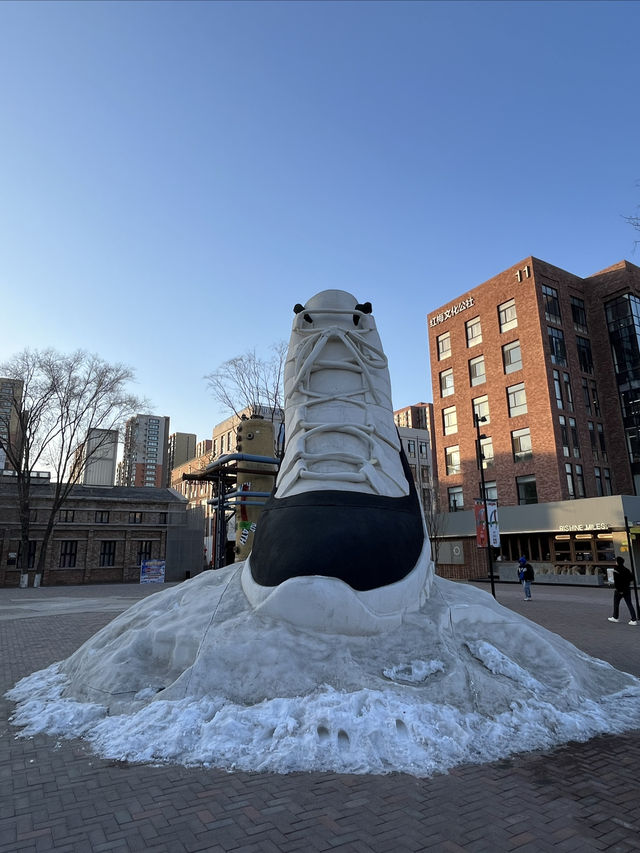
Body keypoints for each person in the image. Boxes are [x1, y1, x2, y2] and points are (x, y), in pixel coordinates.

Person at [608, 556, 638, 626]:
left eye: (616, 561)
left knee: (616, 603)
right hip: (627, 589)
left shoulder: (616, 570)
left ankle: (615, 617)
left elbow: (617, 582)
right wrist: (626, 582)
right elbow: (632, 578)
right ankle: (634, 620)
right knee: (629, 604)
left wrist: (619, 590)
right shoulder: (626, 569)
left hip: (619, 590)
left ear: (617, 562)